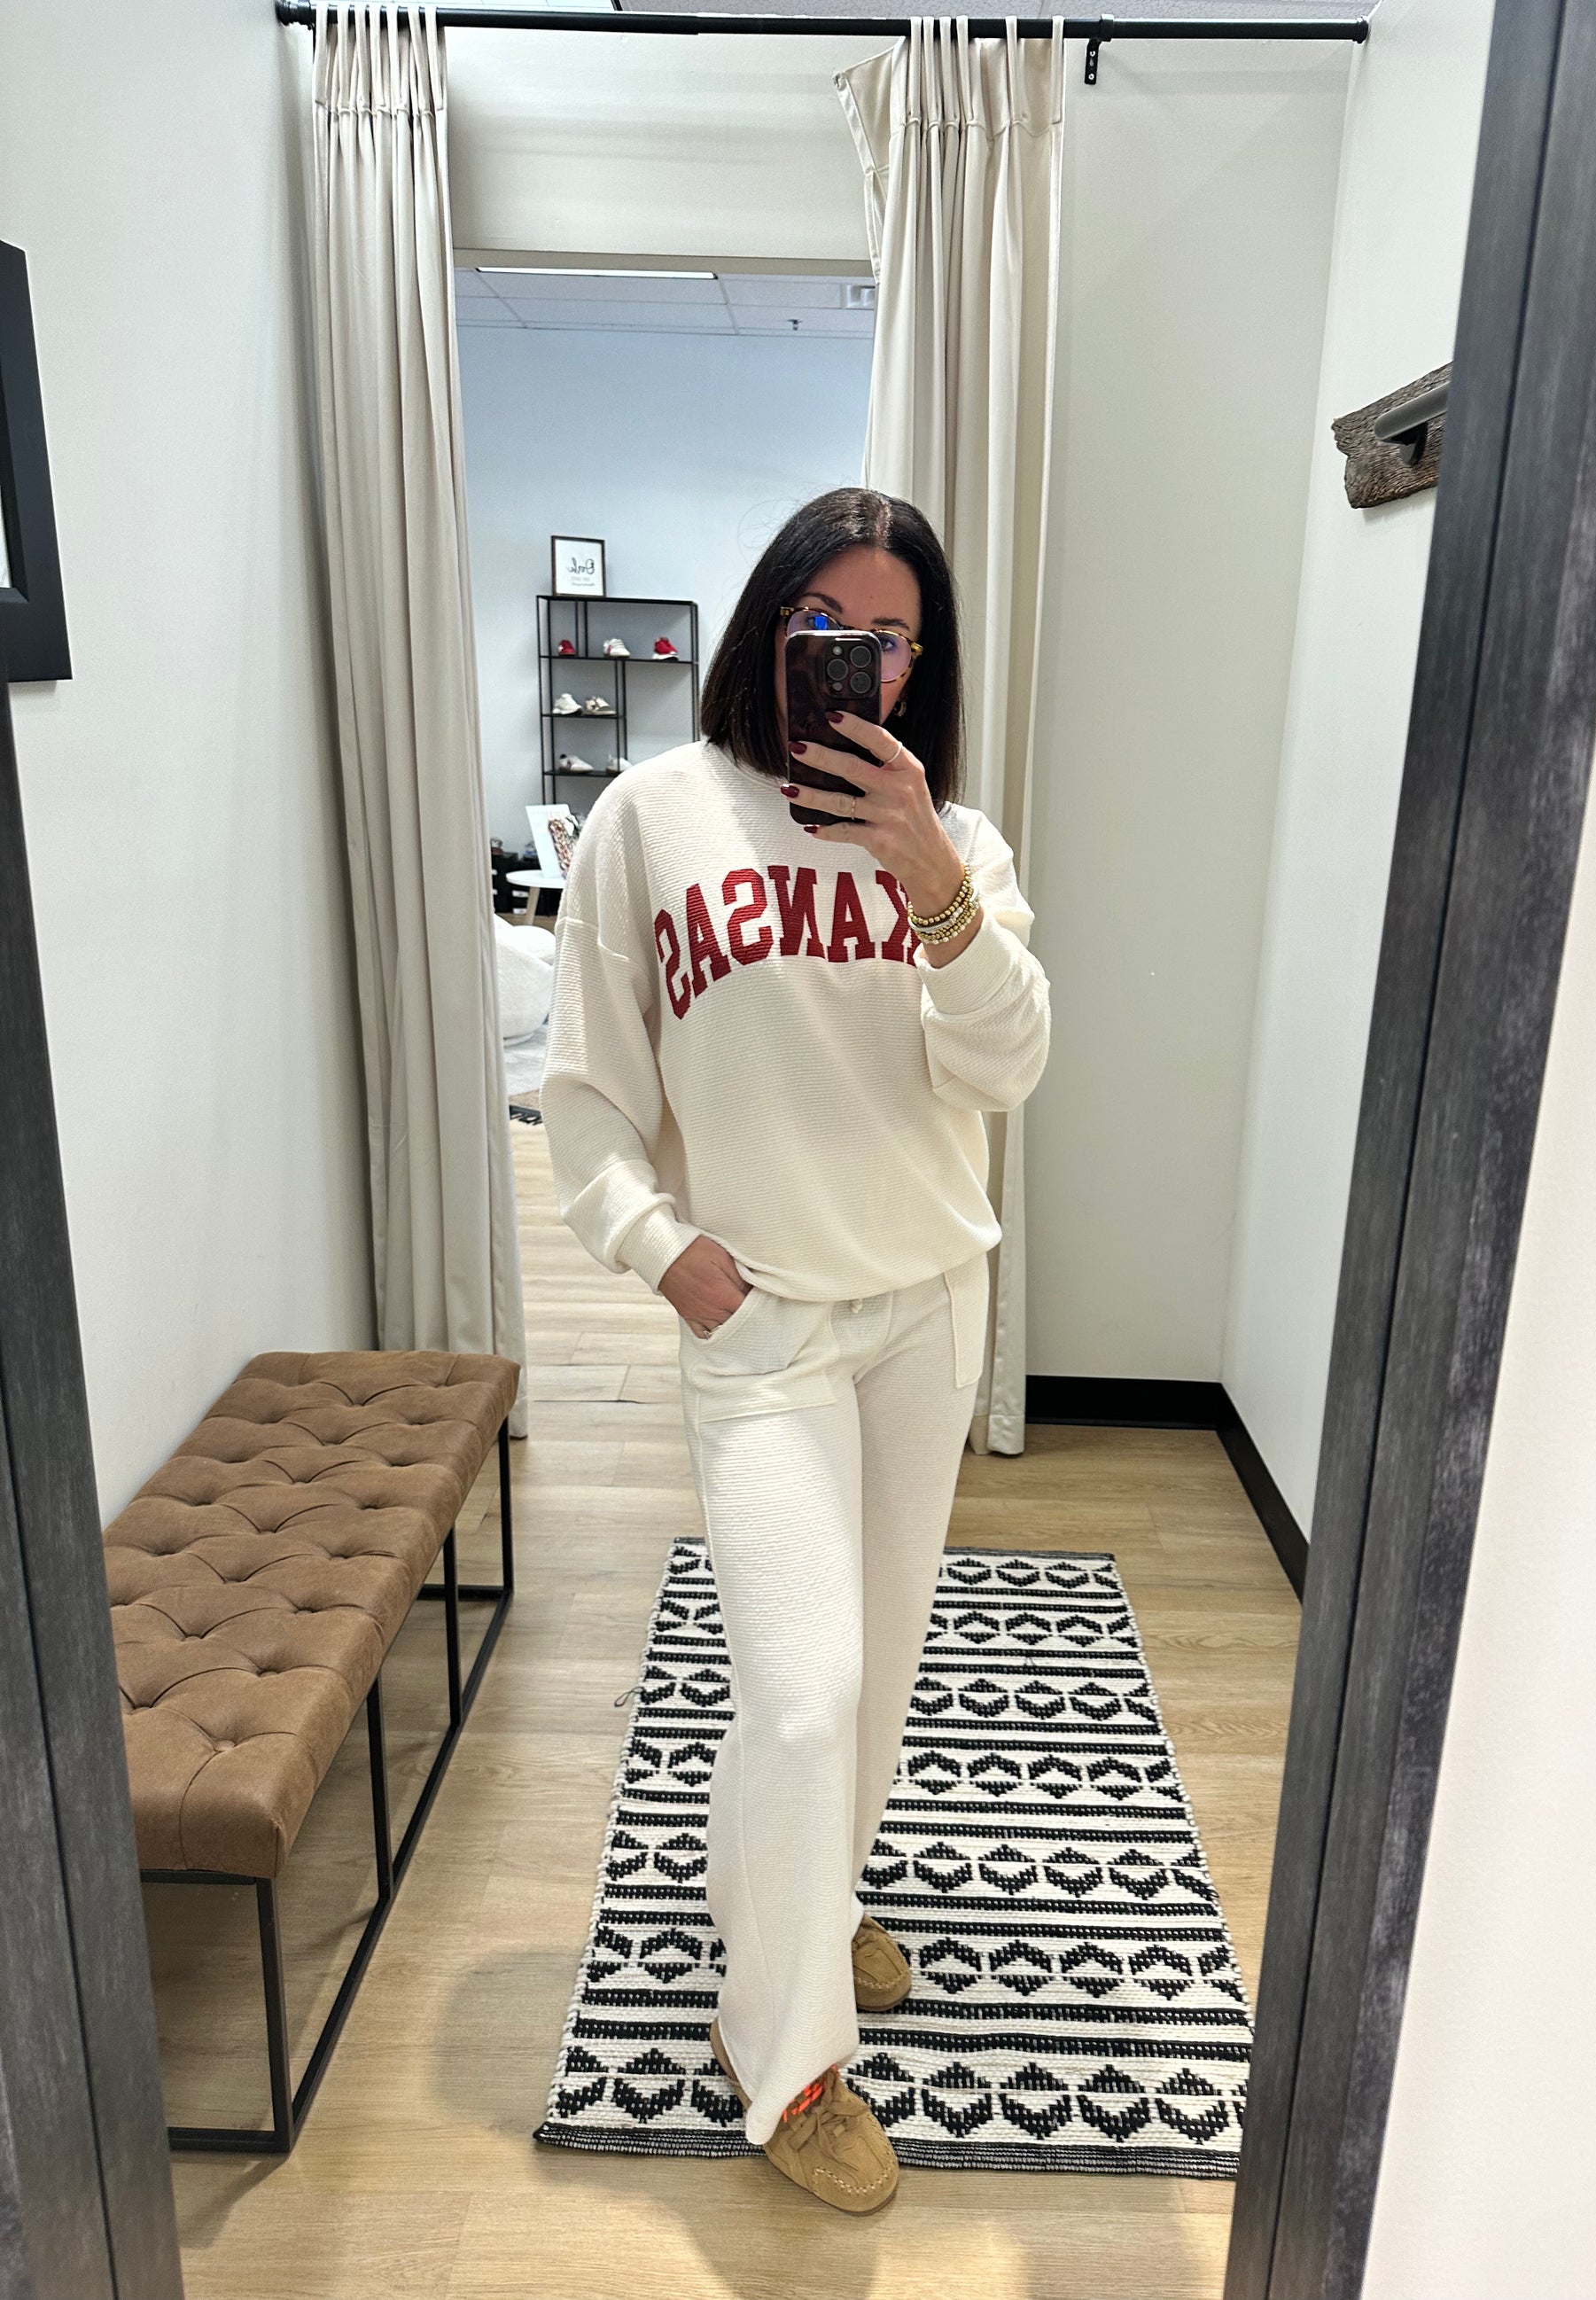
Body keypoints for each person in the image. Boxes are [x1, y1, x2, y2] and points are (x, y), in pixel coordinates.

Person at [540, 487, 1051, 2214]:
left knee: (875, 1677)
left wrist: (932, 883)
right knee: (799, 1685)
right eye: (821, 619)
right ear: (769, 623)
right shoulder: (653, 817)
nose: (853, 656)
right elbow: (588, 1099)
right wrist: (666, 1254)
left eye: (887, 635)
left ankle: (811, 1905)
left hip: (925, 1307)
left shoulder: (953, 841)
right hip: (757, 1319)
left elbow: (1005, 1068)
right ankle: (789, 2065)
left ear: (920, 664)